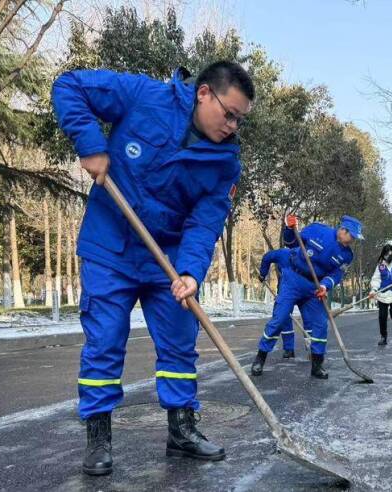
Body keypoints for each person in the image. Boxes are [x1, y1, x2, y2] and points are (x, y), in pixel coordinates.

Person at [52, 61, 254, 475]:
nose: (233, 125)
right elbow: (69, 86)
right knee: (105, 342)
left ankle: (181, 431)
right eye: (228, 113)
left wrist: (191, 273)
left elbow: (205, 221)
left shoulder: (224, 163)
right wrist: (90, 143)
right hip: (111, 244)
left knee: (180, 341)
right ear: (203, 94)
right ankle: (98, 436)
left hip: (169, 257)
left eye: (240, 119)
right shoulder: (146, 96)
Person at [253, 215, 363, 379]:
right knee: (280, 318)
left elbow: (337, 274)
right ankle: (260, 358)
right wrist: (289, 229)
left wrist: (326, 285)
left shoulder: (347, 255)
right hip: (293, 280)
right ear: (342, 230)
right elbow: (291, 243)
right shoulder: (317, 230)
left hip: (315, 288)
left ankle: (317, 365)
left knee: (320, 324)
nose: (352, 240)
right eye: (352, 236)